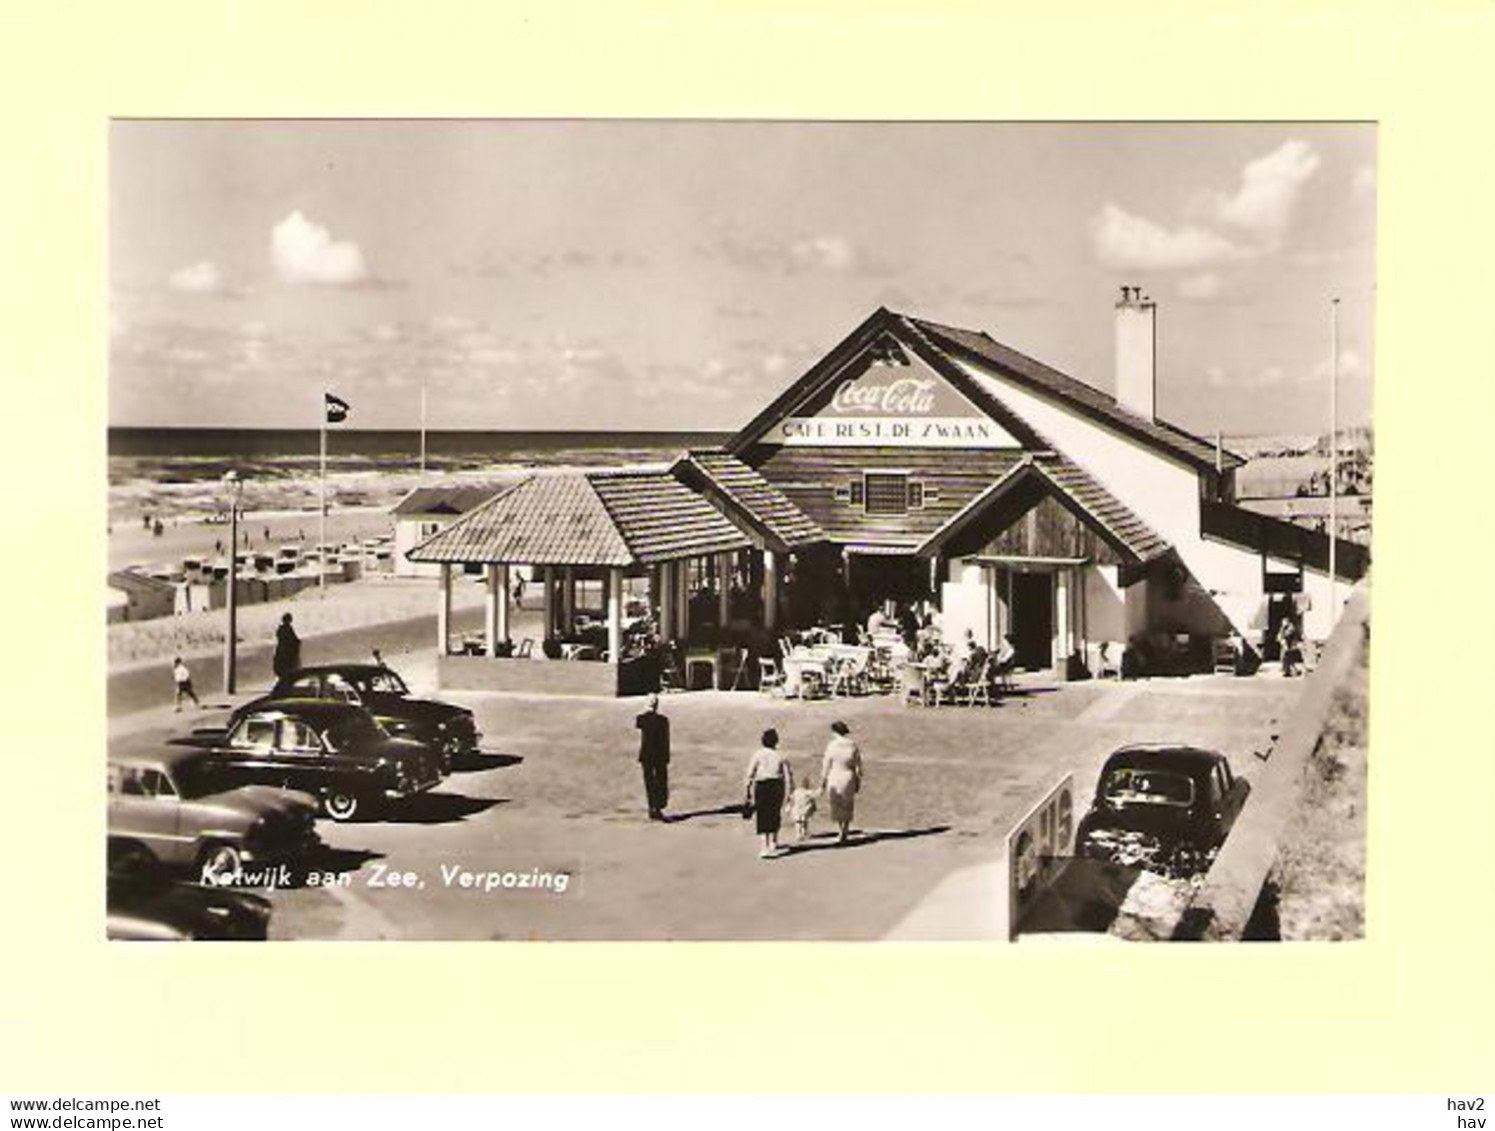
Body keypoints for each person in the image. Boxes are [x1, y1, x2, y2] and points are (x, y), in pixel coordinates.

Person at [744, 728, 794, 859]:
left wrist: (748, 791)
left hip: (762, 786)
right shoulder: (781, 755)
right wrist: (790, 794)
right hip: (777, 785)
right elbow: (788, 776)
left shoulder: (758, 754)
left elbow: (750, 773)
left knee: (762, 815)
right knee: (774, 813)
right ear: (776, 742)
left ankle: (764, 846)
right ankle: (774, 842)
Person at [820, 721, 864, 843]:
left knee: (837, 804)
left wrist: (822, 781)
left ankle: (841, 830)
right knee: (847, 803)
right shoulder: (852, 745)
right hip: (848, 775)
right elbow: (858, 765)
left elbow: (826, 764)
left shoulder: (832, 745)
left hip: (835, 775)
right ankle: (845, 829)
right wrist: (858, 779)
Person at [635, 693, 671, 820]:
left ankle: (652, 806)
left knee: (649, 782)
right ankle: (659, 805)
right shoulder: (663, 720)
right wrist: (667, 756)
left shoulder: (641, 719)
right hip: (660, 755)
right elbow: (666, 739)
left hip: (646, 755)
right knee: (660, 780)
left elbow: (638, 724)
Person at [273, 612, 301, 680]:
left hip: (282, 653)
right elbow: (293, 641)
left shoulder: (281, 629)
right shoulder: (287, 629)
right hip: (287, 654)